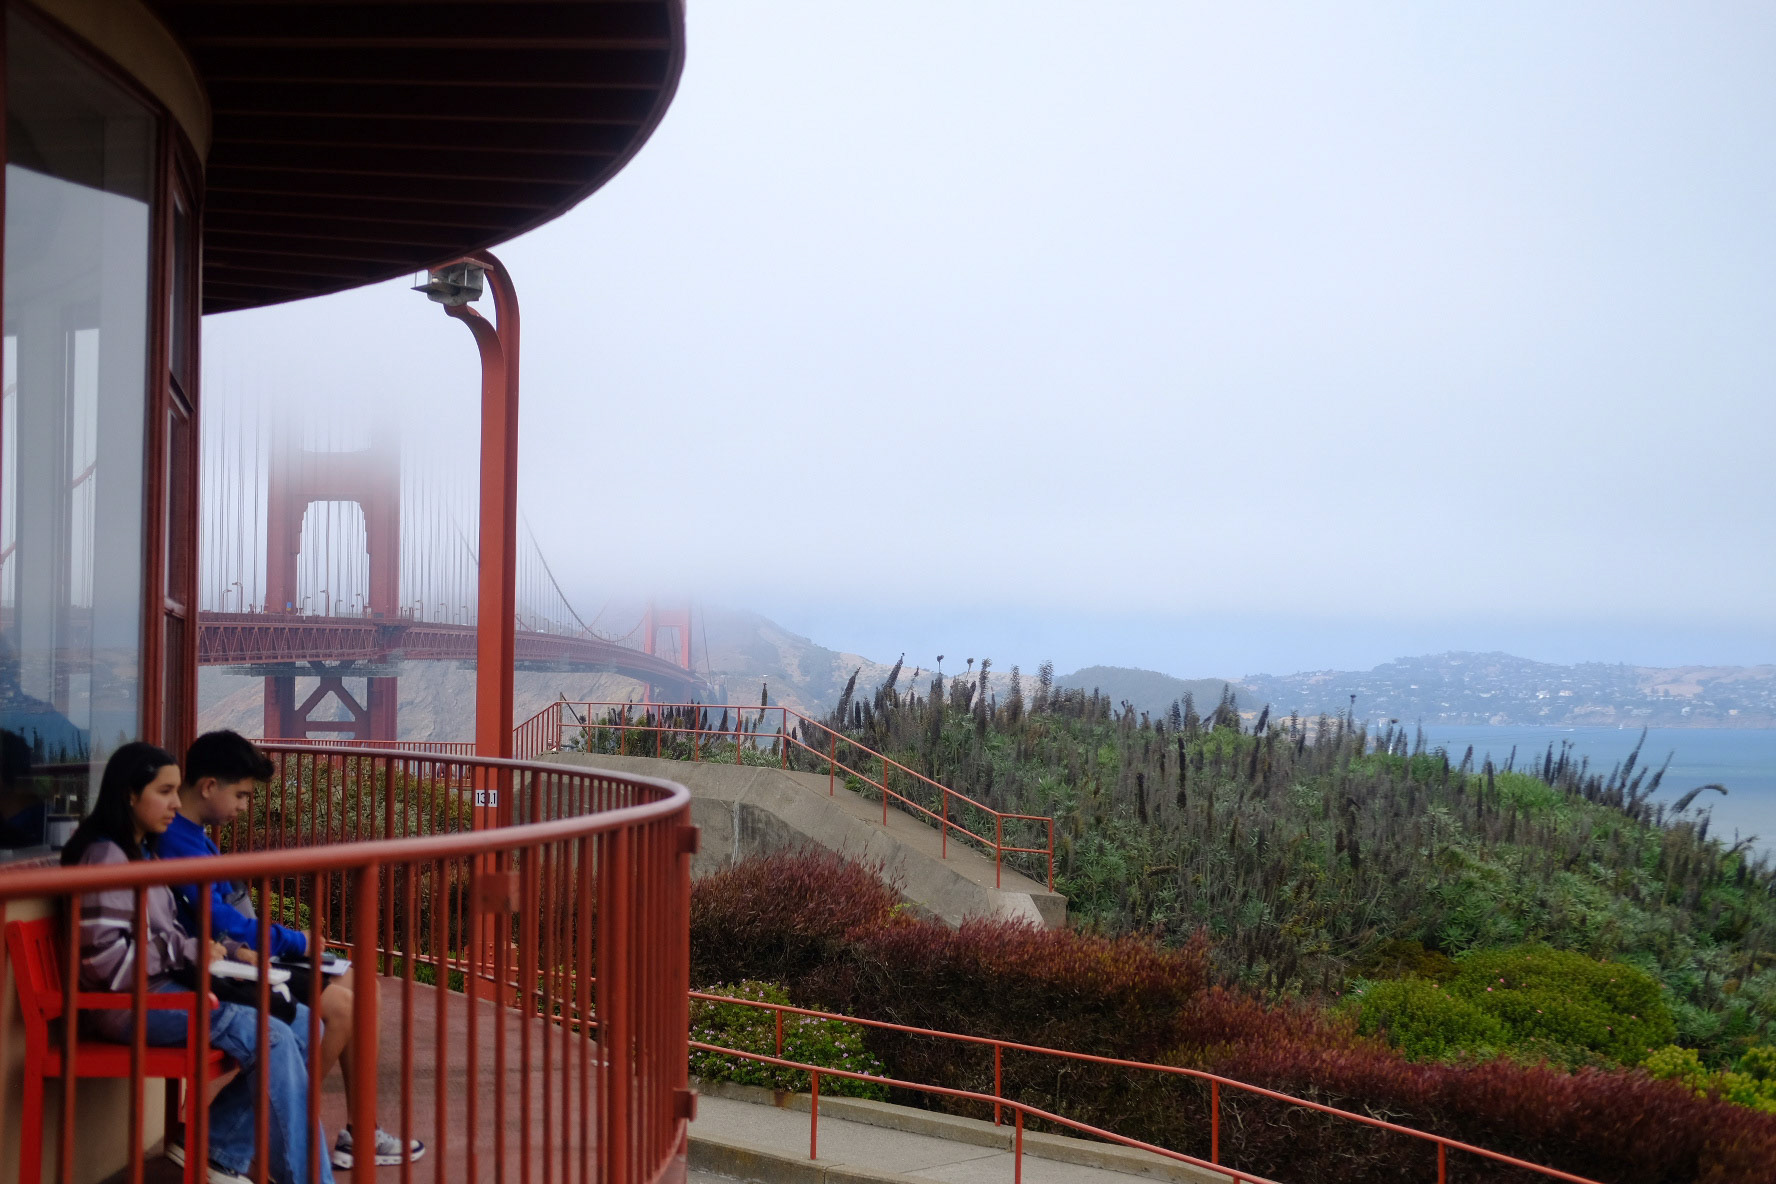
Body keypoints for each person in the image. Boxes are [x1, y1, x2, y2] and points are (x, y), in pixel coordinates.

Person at [61, 742, 334, 1184]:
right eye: (164, 791)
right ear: (130, 794)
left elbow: (163, 934)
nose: (175, 803)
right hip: (129, 1004)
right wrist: (188, 952)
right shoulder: (106, 858)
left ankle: (217, 1146)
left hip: (163, 991)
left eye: (176, 791)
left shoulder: (142, 852)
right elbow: (107, 965)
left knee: (305, 1024)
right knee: (273, 1037)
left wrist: (223, 951)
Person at [161, 730, 423, 1170]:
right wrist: (297, 940)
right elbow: (224, 923)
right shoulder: (176, 842)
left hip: (234, 955)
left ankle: (359, 1132)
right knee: (341, 1010)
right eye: (241, 795)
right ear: (208, 786)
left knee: (362, 985)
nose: (245, 807)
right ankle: (267, 1130)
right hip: (219, 965)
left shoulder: (194, 836)